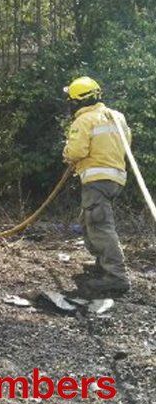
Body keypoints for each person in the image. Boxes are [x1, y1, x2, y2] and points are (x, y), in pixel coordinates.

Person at [62, 76, 131, 296]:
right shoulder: (116, 116)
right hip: (116, 178)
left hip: (96, 179)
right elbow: (126, 143)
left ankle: (115, 276)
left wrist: (67, 155)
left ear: (77, 101)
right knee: (89, 220)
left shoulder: (84, 120)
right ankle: (103, 264)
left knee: (100, 225)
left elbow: (76, 151)